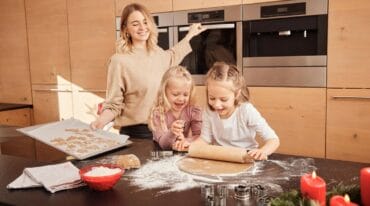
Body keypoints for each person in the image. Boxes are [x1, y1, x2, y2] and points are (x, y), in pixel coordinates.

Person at [90, 3, 206, 138]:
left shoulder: (157, 53)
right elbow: (113, 105)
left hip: (164, 130)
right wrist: (100, 122)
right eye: (135, 24)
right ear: (125, 29)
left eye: (145, 22)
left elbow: (173, 54)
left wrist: (190, 34)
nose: (142, 27)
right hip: (137, 135)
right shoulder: (119, 61)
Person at [193, 62, 280, 160]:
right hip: (220, 159)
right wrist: (192, 146)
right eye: (212, 98)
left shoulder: (246, 111)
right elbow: (205, 139)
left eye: (223, 99)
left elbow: (273, 139)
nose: (217, 105)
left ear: (237, 94)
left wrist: (262, 151)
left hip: (246, 158)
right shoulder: (209, 111)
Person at [148, 66, 202, 151]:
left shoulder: (193, 110)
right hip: (160, 153)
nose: (181, 99)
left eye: (185, 94)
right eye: (175, 94)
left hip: (180, 152)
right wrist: (172, 132)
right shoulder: (158, 113)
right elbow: (163, 145)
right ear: (164, 92)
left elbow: (200, 136)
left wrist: (185, 141)